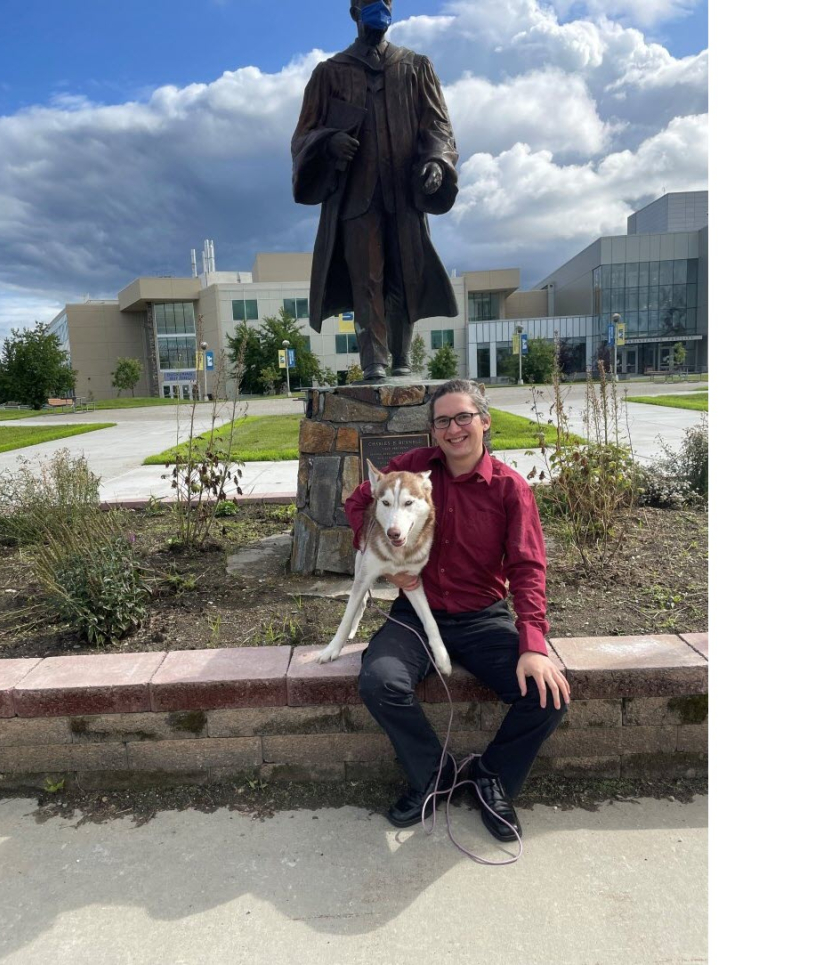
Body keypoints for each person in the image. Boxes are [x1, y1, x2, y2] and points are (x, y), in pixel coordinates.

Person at [343, 379, 571, 841]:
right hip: (416, 615)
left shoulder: (510, 489)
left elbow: (528, 568)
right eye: (443, 421)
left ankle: (492, 777)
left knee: (549, 696)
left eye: (463, 417)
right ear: (433, 431)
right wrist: (387, 565)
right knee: (379, 681)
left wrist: (533, 644)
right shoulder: (411, 469)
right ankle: (435, 775)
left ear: (484, 422)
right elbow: (358, 504)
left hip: (483, 618)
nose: (453, 428)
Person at [291, 0, 459, 382]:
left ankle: (401, 357)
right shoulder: (330, 73)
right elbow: (303, 135)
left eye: (384, 4)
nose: (378, 12)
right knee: (366, 280)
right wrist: (328, 141)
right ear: (354, 13)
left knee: (406, 275)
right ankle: (374, 362)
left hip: (405, 195)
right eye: (370, 5)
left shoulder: (416, 67)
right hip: (355, 199)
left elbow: (439, 127)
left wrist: (436, 161)